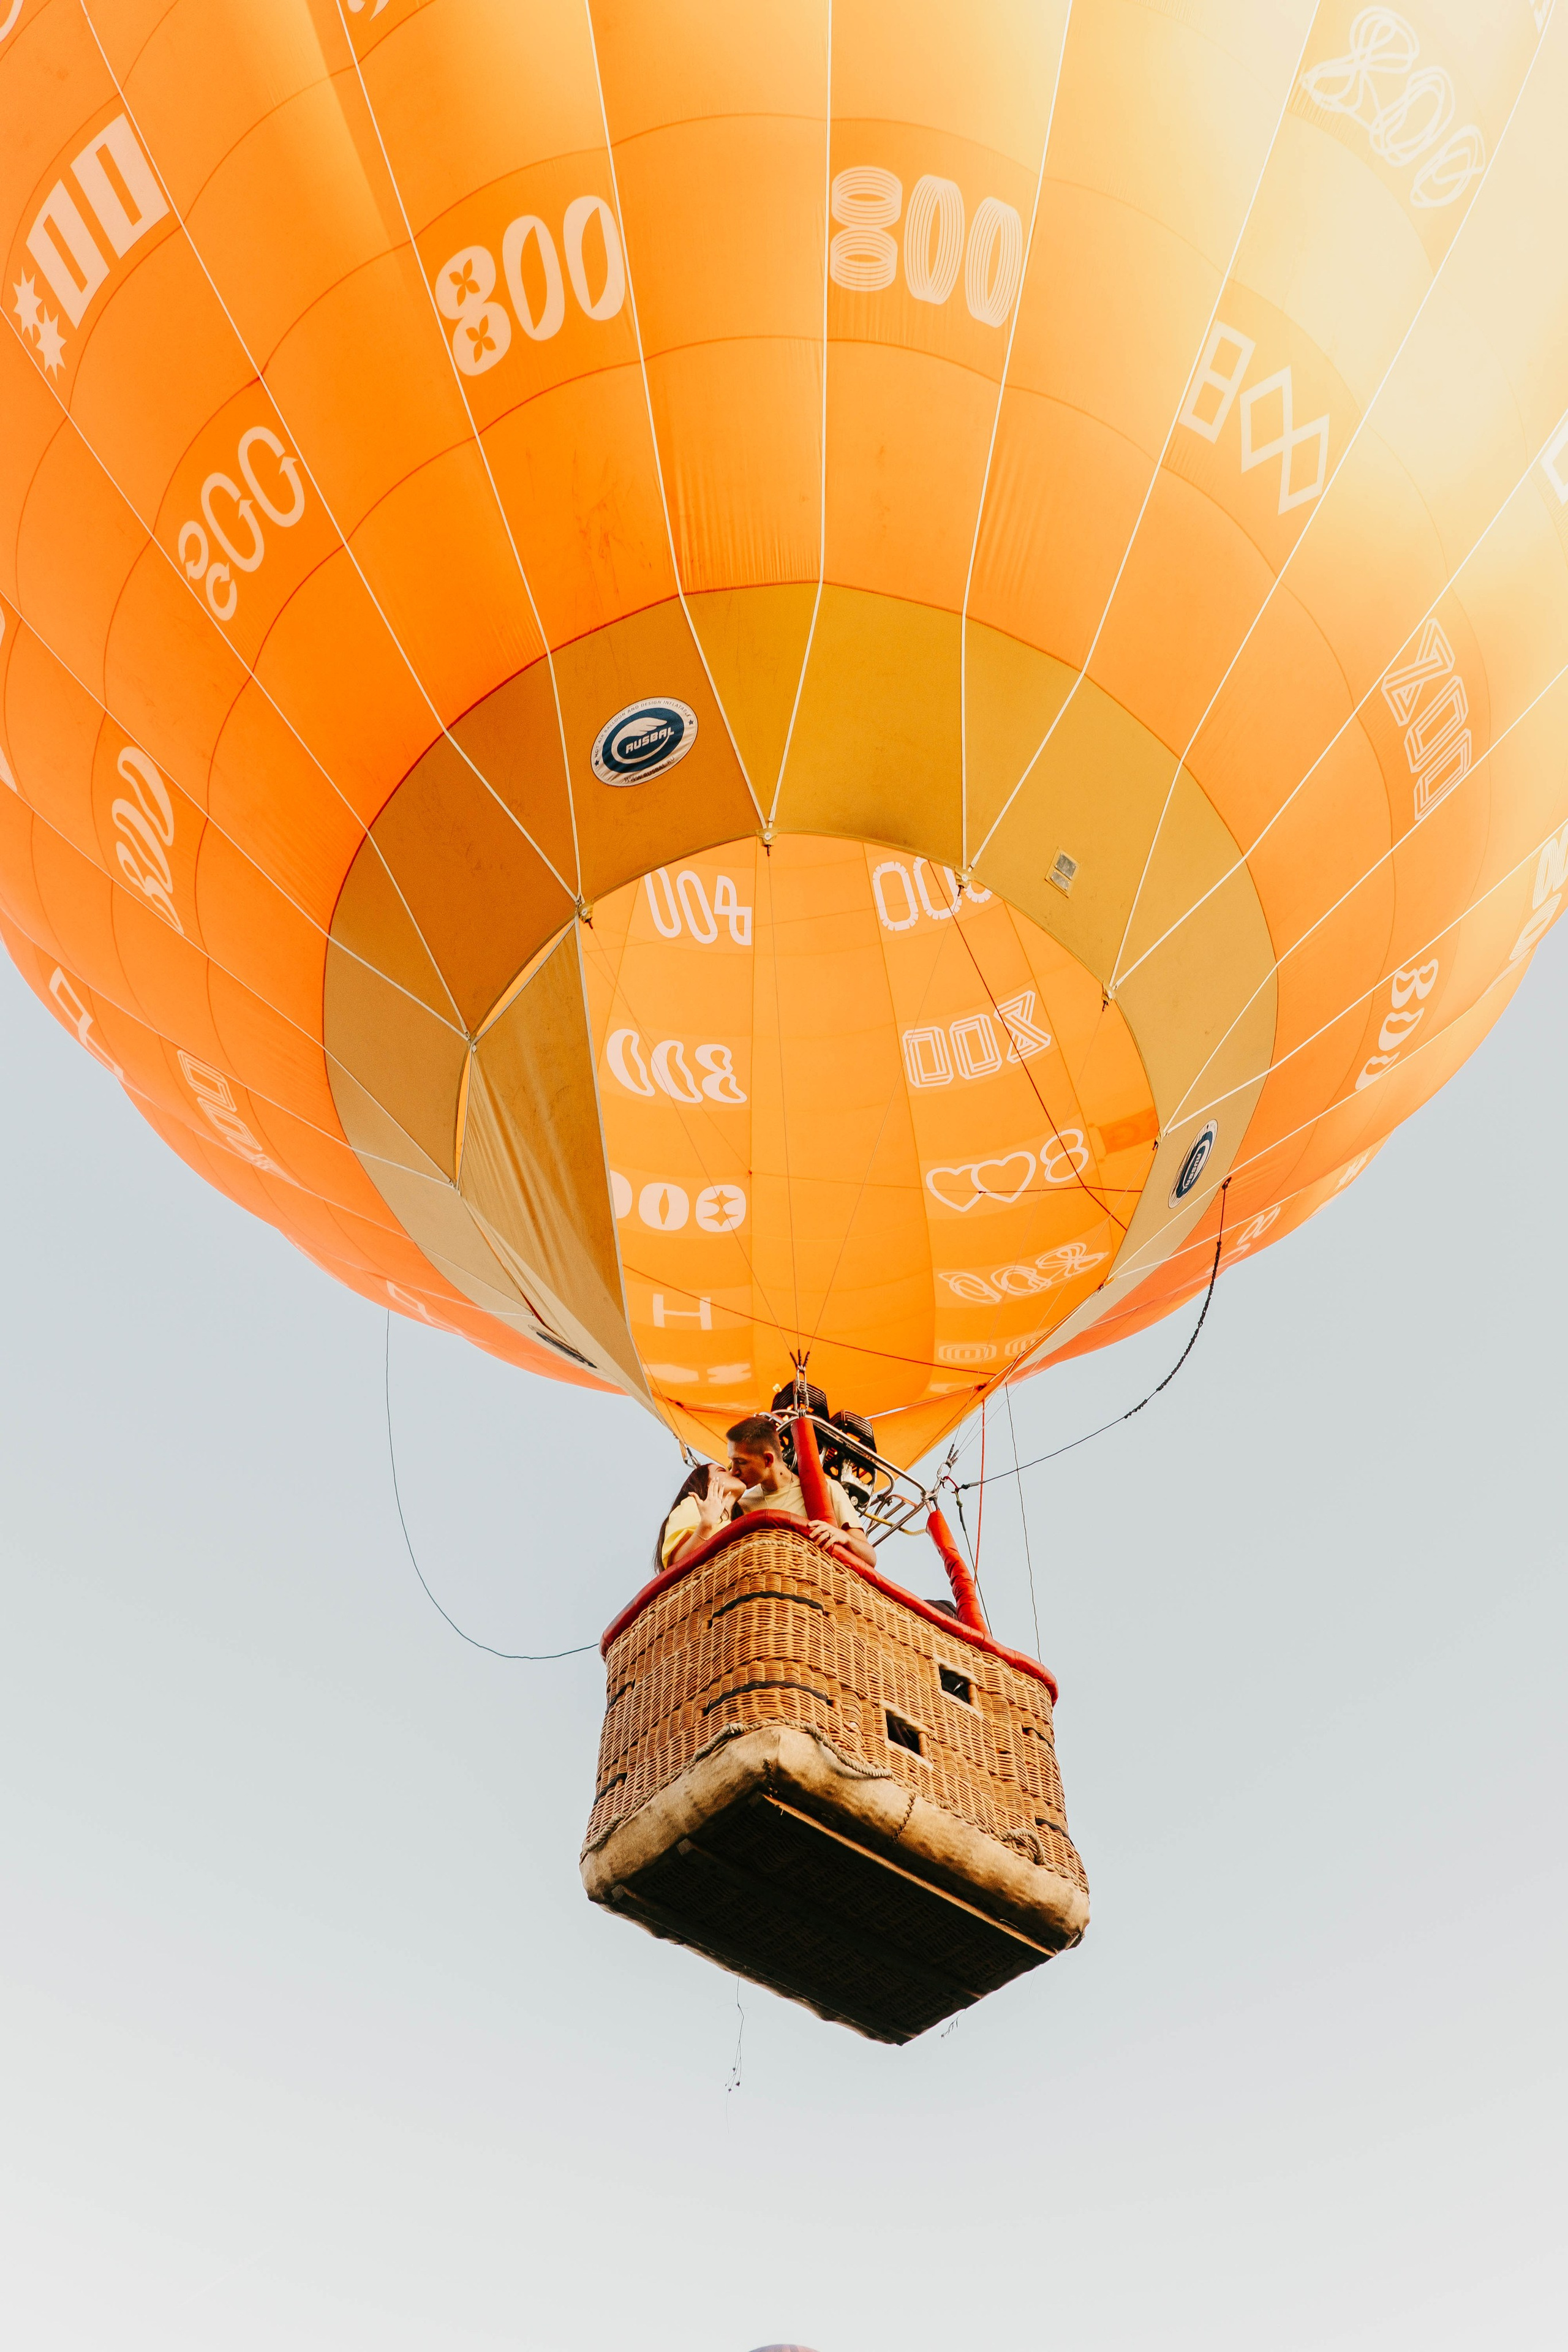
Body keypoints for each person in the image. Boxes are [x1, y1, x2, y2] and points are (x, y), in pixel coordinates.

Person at [724, 1415, 878, 1569]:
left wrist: (845, 1538)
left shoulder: (828, 1489)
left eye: (741, 1462)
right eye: (732, 1461)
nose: (734, 1471)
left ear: (768, 1460)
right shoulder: (742, 1507)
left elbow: (870, 1558)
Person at [655, 1460, 743, 1572]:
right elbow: (676, 1565)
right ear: (706, 1484)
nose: (733, 1472)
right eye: (721, 1471)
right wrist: (706, 1525)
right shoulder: (693, 1504)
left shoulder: (742, 1515)